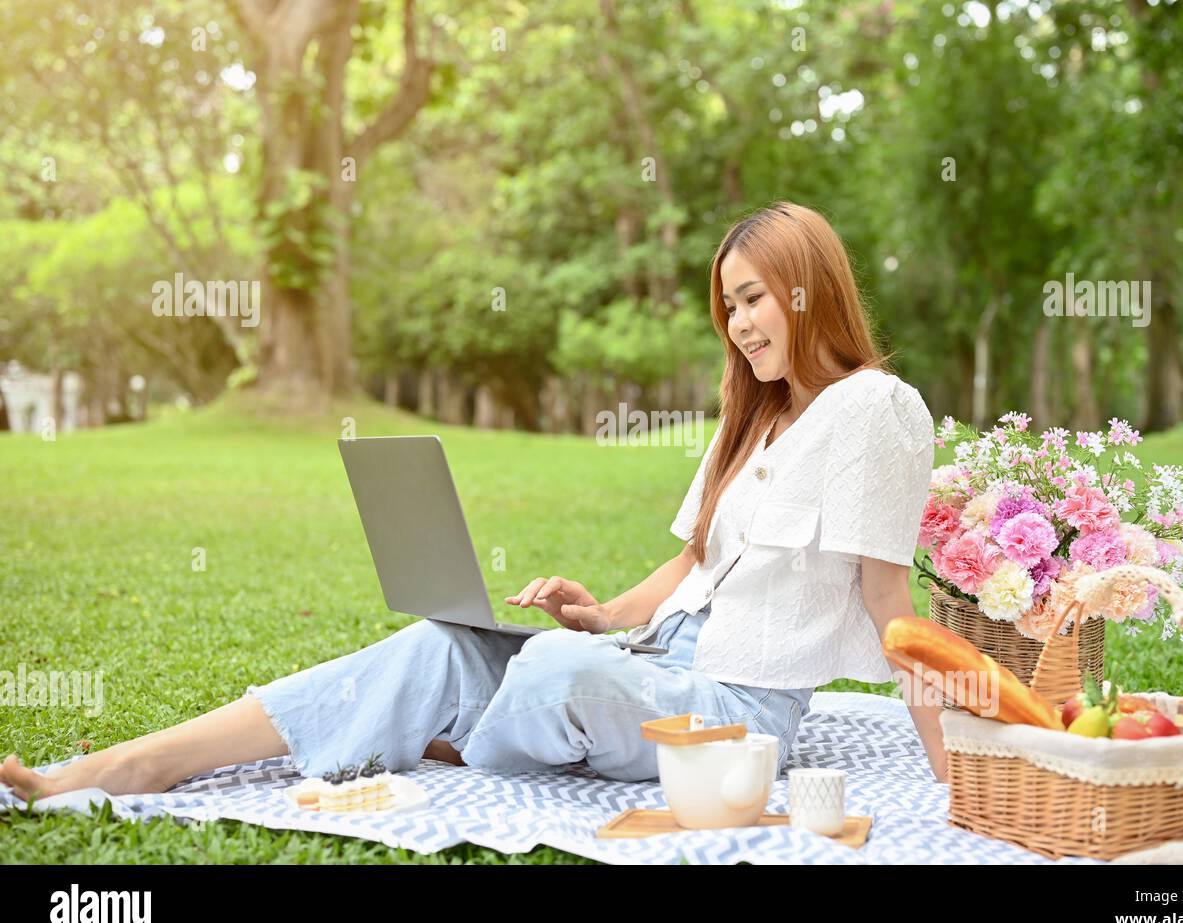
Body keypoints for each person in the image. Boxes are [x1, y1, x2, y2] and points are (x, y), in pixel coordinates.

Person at [0, 200, 945, 802]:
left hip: (737, 718)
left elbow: (888, 604)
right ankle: (128, 766)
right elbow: (696, 560)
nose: (737, 326)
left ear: (805, 285)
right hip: (651, 661)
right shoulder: (754, 420)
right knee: (440, 645)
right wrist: (601, 612)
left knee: (551, 676)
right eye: (727, 308)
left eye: (751, 300)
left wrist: (956, 779)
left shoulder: (877, 409)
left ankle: (460, 731)